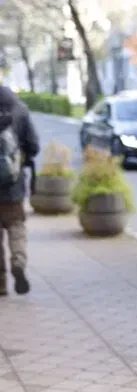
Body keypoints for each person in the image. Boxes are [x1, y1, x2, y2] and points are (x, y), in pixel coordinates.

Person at [0, 84, 39, 296]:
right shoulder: (19, 108)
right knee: (16, 227)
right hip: (13, 185)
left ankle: (0, 284)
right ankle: (18, 261)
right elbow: (33, 145)